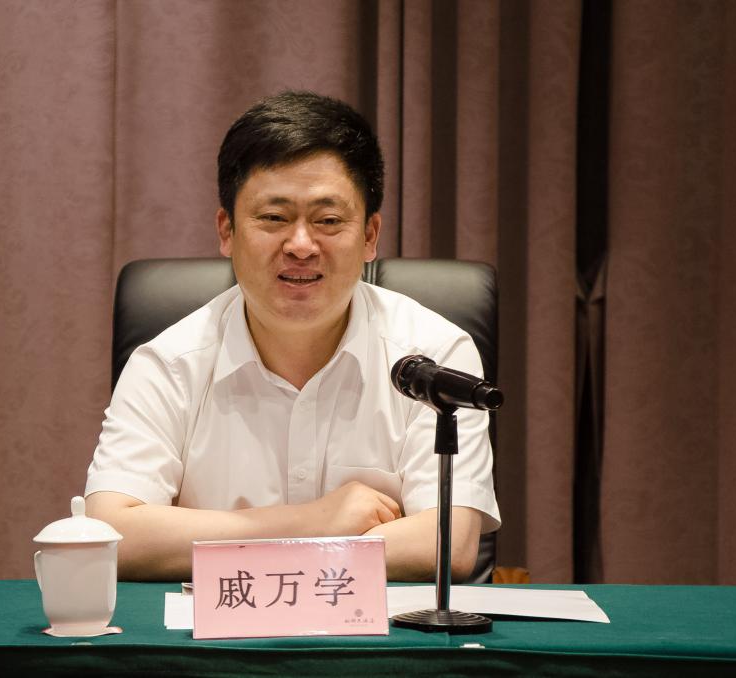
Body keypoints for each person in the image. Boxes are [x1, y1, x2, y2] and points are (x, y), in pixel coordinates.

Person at [85, 91, 500, 582]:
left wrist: (237, 543)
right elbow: (110, 536)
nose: (301, 245)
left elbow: (448, 543)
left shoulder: (433, 357)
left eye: (328, 221)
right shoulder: (169, 362)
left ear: (370, 236)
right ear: (226, 230)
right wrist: (315, 521)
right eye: (274, 218)